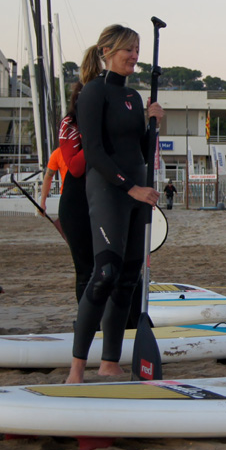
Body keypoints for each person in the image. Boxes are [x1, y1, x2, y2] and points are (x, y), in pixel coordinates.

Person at [66, 24, 164, 384]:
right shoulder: (93, 92)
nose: (134, 56)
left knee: (127, 279)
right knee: (105, 273)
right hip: (110, 190)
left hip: (139, 192)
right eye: (128, 49)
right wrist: (130, 188)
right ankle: (76, 368)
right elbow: (94, 152)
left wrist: (154, 124)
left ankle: (110, 361)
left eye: (137, 49)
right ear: (107, 51)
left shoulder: (134, 98)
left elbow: (141, 153)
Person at [58, 82, 95, 304]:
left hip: (107, 199)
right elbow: (75, 167)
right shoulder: (70, 123)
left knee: (116, 268)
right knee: (86, 270)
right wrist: (94, 137)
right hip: (77, 202)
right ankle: (86, 320)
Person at [39, 146, 68, 212]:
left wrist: (43, 202)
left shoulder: (84, 150)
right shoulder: (58, 153)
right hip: (67, 195)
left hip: (84, 195)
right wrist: (43, 202)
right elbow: (48, 177)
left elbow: (48, 177)